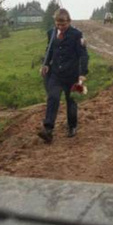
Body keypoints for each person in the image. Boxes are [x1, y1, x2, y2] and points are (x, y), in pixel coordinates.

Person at [38, 8, 89, 143]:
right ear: (55, 22)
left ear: (69, 21)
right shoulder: (51, 32)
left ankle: (72, 126)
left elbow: (83, 55)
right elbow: (49, 50)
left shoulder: (77, 35)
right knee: (53, 97)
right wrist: (46, 64)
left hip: (72, 75)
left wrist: (82, 73)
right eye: (58, 24)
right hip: (56, 74)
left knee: (71, 102)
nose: (61, 27)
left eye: (63, 24)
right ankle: (48, 130)